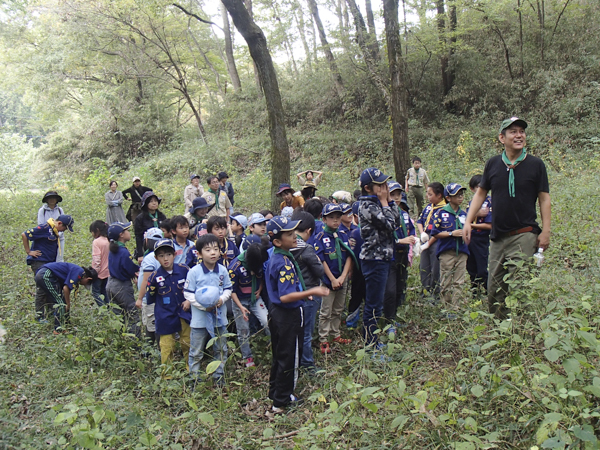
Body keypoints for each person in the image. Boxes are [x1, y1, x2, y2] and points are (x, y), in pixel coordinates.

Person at [464, 117, 551, 319]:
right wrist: (468, 221)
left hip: (524, 234)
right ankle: (501, 333)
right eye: (513, 131)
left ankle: (523, 332)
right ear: (502, 138)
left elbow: (544, 199)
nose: (519, 135)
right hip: (497, 237)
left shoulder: (536, 165)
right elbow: (480, 193)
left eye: (521, 131)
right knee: (494, 288)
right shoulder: (493, 164)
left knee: (520, 286)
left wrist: (545, 231)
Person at [265, 216, 329, 413]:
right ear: (277, 241)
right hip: (287, 315)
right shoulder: (283, 262)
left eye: (295, 232)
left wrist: (302, 293)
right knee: (289, 357)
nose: (295, 237)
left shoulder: (280, 256)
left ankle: (277, 392)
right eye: (290, 234)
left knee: (280, 354)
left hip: (279, 313)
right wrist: (311, 291)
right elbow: (285, 296)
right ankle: (281, 402)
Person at [358, 168, 400, 349]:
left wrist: (389, 202)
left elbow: (397, 222)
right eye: (380, 185)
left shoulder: (378, 203)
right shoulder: (368, 206)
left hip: (382, 258)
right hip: (373, 259)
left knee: (377, 303)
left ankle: (372, 341)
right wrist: (384, 202)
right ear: (368, 188)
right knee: (373, 305)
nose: (385, 187)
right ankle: (370, 345)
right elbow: (390, 224)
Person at [184, 234, 232, 387]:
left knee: (220, 348)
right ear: (199, 253)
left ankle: (219, 377)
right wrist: (203, 305)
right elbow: (188, 293)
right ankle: (194, 379)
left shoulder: (223, 270)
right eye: (208, 250)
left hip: (219, 318)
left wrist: (221, 300)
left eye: (216, 249)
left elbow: (228, 289)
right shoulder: (194, 272)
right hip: (200, 320)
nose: (213, 253)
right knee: (196, 350)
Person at [314, 203, 356, 354]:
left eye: (338, 217)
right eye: (331, 217)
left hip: (342, 278)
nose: (336, 220)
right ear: (324, 219)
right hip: (328, 281)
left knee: (338, 308)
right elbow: (322, 260)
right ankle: (323, 339)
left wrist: (343, 276)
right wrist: (332, 279)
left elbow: (349, 256)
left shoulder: (344, 235)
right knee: (326, 311)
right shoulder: (320, 237)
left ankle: (335, 333)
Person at [146, 239, 191, 367]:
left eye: (168, 255)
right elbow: (150, 298)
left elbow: (193, 288)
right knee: (167, 346)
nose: (165, 259)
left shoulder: (184, 270)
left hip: (184, 313)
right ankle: (167, 376)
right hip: (165, 315)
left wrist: (188, 300)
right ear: (156, 258)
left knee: (188, 342)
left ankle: (191, 368)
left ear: (175, 254)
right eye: (161, 256)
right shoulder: (154, 277)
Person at [290, 211, 324, 372]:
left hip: (291, 294)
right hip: (309, 293)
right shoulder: (307, 249)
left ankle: (296, 361)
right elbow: (319, 271)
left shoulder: (284, 245)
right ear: (309, 231)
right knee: (307, 331)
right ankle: (307, 364)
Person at [22, 214, 74, 322]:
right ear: (59, 223)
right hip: (39, 262)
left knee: (50, 286)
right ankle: (40, 316)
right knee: (42, 288)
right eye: (64, 228)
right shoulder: (44, 228)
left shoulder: (54, 231)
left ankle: (51, 312)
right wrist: (29, 251)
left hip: (49, 264)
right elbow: (25, 234)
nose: (63, 231)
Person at [228, 241, 270, 368]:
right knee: (243, 330)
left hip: (255, 299)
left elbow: (261, 277)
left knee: (267, 321)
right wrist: (241, 307)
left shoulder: (259, 259)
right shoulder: (235, 267)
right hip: (240, 302)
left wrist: (260, 289)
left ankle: (273, 347)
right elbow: (231, 290)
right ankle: (247, 357)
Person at [383, 182, 417, 335]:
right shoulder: (382, 213)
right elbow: (381, 237)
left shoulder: (403, 213)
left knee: (399, 288)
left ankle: (393, 316)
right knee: (389, 290)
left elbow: (411, 230)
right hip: (389, 256)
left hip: (403, 255)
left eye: (398, 194)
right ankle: (387, 320)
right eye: (392, 194)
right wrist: (399, 241)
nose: (396, 198)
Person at [429, 184, 469, 310]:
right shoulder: (441, 213)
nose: (460, 197)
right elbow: (435, 233)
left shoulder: (464, 214)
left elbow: (469, 231)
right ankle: (446, 307)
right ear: (448, 198)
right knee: (446, 280)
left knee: (459, 281)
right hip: (447, 252)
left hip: (462, 251)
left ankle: (455, 307)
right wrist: (451, 233)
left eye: (461, 194)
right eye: (457, 195)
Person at [35, 263, 97, 333]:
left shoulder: (79, 272)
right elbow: (66, 288)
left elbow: (67, 289)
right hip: (46, 275)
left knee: (61, 301)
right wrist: (68, 304)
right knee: (61, 303)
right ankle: (58, 329)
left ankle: (66, 324)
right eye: (87, 283)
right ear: (88, 279)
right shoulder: (79, 272)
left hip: (44, 274)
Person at [106, 222, 140, 336]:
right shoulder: (123, 252)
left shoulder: (113, 249)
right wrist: (138, 271)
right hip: (121, 286)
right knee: (132, 314)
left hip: (110, 284)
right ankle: (135, 341)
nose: (129, 233)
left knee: (117, 315)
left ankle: (119, 338)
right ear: (121, 235)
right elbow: (129, 268)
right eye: (127, 231)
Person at [416, 182, 446, 301]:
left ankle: (435, 292)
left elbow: (440, 230)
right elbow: (420, 221)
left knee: (435, 267)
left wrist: (429, 243)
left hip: (436, 240)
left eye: (430, 194)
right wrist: (422, 232)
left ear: (439, 195)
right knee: (424, 265)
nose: (428, 197)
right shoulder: (429, 207)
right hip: (426, 237)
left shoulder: (444, 209)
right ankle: (425, 290)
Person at [135, 228, 164, 346]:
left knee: (151, 326)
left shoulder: (150, 258)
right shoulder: (160, 256)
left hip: (150, 297)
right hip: (160, 296)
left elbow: (147, 280)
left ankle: (151, 350)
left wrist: (140, 298)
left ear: (146, 241)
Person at [466, 175, 492, 294]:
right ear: (472, 189)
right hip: (470, 238)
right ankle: (475, 293)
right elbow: (465, 218)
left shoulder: (490, 202)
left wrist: (470, 225)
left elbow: (490, 225)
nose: (480, 188)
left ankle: (489, 291)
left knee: (482, 269)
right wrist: (476, 214)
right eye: (477, 186)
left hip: (481, 239)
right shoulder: (471, 203)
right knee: (471, 268)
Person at [345, 202, 365, 330]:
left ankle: (352, 323)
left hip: (359, 270)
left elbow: (351, 255)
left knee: (356, 296)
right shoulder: (356, 233)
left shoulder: (355, 233)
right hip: (368, 270)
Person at [134, 191, 167, 262]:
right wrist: (140, 254)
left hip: (161, 245)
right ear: (146, 204)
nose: (154, 203)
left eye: (155, 201)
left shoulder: (161, 216)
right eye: (151, 201)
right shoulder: (140, 218)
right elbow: (138, 236)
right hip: (147, 247)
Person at [37, 191, 66, 262]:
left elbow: (64, 223)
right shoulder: (42, 210)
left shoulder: (60, 210)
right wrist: (50, 235)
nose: (52, 200)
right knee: (48, 258)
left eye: (53, 198)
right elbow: (41, 225)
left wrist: (58, 234)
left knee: (59, 258)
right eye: (50, 198)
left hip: (59, 238)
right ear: (46, 200)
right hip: (47, 239)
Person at [89, 220, 110, 307]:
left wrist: (94, 272)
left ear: (97, 230)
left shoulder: (97, 242)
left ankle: (103, 309)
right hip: (108, 272)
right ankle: (109, 308)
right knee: (105, 291)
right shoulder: (109, 240)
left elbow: (97, 258)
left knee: (95, 292)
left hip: (99, 272)